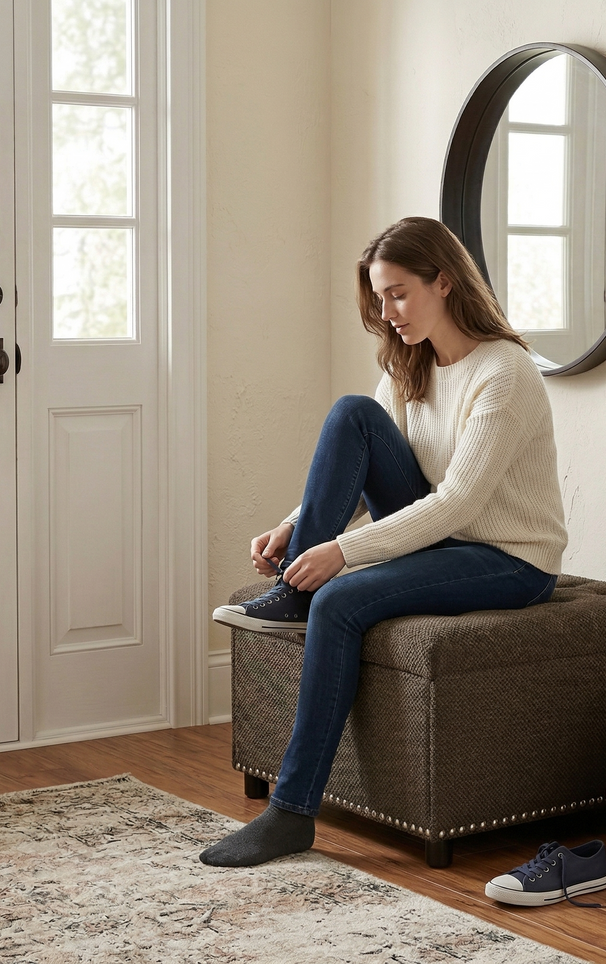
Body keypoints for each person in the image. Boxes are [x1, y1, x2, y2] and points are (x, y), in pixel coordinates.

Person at [202, 216, 567, 867]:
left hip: (507, 558)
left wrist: (341, 554)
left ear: (444, 282)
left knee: (338, 600)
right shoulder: (410, 365)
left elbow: (458, 503)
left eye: (398, 293)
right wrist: (296, 527)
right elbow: (359, 467)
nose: (385, 311)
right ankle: (292, 596)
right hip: (440, 539)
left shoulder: (504, 372)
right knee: (353, 413)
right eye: (378, 297)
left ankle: (290, 813)